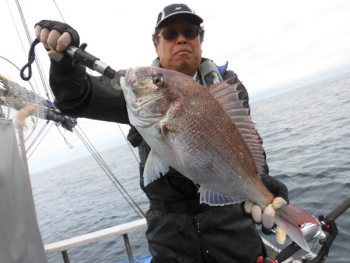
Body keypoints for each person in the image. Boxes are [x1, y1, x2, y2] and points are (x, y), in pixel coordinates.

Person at [35, 4, 289, 263]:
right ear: (156, 45)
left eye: (190, 31)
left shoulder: (227, 87)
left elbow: (245, 143)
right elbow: (77, 98)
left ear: (200, 39)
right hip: (170, 236)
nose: (181, 38)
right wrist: (65, 65)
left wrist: (264, 187)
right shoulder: (140, 90)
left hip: (233, 229)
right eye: (169, 34)